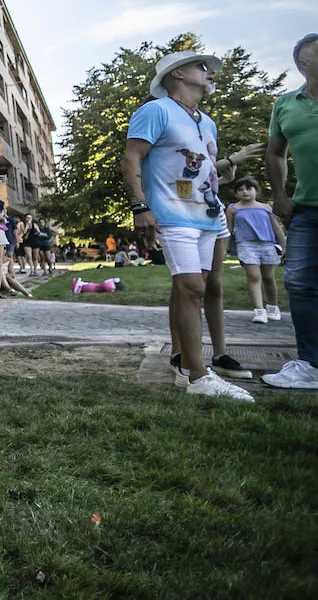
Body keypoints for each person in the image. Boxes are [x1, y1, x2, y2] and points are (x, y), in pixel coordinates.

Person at [123, 50, 253, 401]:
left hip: (207, 216)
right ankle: (199, 377)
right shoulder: (155, 110)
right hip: (171, 214)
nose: (209, 71)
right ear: (177, 74)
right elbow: (131, 157)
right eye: (202, 66)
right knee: (191, 286)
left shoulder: (206, 121)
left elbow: (199, 172)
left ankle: (183, 364)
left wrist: (223, 174)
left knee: (194, 287)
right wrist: (140, 207)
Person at [263, 33, 318, 389]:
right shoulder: (285, 105)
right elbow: (274, 153)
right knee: (299, 284)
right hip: (307, 211)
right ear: (303, 63)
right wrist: (280, 196)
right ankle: (311, 365)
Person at [227, 176, 286, 324]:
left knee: (268, 277)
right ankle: (259, 311)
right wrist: (224, 247)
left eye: (248, 188)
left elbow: (276, 228)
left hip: (267, 244)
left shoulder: (265, 208)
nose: (244, 192)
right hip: (246, 245)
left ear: (256, 191)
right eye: (240, 190)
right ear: (236, 194)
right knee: (254, 276)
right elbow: (228, 229)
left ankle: (273, 308)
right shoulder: (233, 208)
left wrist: (285, 246)